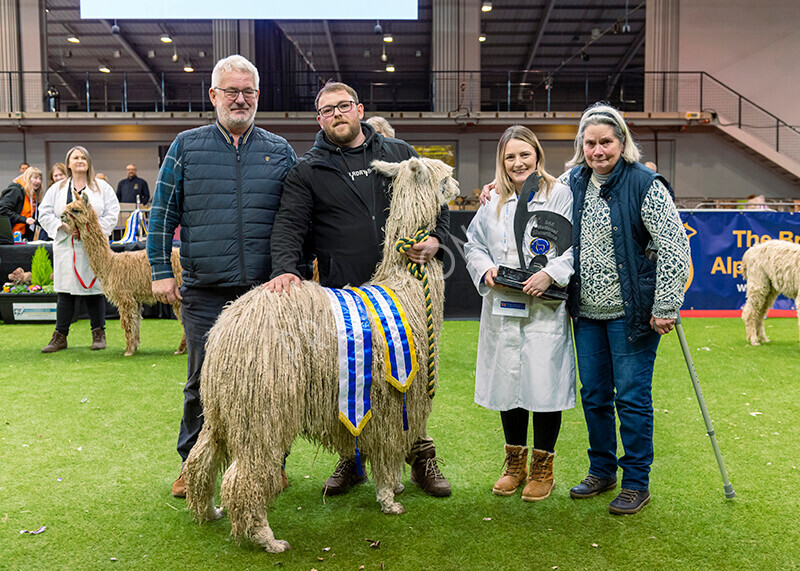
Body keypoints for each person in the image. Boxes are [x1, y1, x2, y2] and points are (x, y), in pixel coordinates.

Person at [266, 80, 452, 498]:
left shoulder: (399, 154)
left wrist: (437, 239)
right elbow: (290, 226)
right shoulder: (307, 170)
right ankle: (352, 459)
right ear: (320, 119)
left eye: (344, 106)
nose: (337, 114)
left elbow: (436, 206)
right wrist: (285, 269)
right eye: (328, 110)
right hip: (346, 293)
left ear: (360, 109)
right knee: (352, 374)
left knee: (411, 375)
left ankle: (420, 453)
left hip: (403, 288)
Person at [147, 54, 296, 498]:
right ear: (212, 95)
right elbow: (161, 213)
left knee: (271, 384)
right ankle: (193, 467)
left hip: (265, 294)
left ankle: (270, 465)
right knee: (202, 384)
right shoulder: (186, 146)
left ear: (258, 96)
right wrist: (160, 270)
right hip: (205, 291)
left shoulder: (280, 150)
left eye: (248, 92)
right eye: (231, 90)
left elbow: (295, 219)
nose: (240, 99)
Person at [562, 103, 690, 515]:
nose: (598, 151)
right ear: (581, 145)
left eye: (606, 142)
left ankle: (636, 481)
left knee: (632, 399)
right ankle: (602, 470)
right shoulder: (572, 181)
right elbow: (533, 197)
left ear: (621, 142)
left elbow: (675, 247)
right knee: (594, 396)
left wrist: (666, 304)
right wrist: (499, 191)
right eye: (591, 143)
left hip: (633, 315)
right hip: (586, 314)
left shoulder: (645, 183)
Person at [464, 126, 575, 501]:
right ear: (502, 160)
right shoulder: (492, 198)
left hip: (544, 307)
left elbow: (572, 247)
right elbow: (474, 244)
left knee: (543, 384)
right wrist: (484, 270)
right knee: (508, 383)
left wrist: (550, 274)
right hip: (503, 307)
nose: (518, 162)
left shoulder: (558, 193)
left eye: (524, 154)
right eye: (510, 157)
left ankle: (543, 468)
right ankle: (514, 464)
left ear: (537, 155)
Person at [38, 146, 120, 353]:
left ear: (88, 162)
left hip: (93, 248)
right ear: (68, 163)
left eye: (83, 157)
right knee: (65, 292)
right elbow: (44, 212)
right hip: (66, 246)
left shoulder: (102, 188)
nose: (80, 160)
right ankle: (60, 336)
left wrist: (89, 231)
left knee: (94, 290)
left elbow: (112, 212)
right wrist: (63, 227)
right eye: (75, 157)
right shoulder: (56, 189)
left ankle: (98, 333)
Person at [0, 167, 43, 242]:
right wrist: (24, 220)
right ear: (27, 178)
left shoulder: (33, 195)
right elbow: (2, 209)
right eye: (35, 178)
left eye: (40, 178)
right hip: (8, 237)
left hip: (23, 236)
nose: (38, 181)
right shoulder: (16, 190)